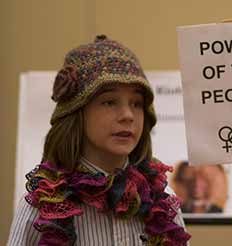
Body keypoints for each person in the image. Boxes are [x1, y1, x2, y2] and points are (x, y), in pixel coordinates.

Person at [8, 35, 191, 246]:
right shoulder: (42, 204)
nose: (127, 115)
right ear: (77, 111)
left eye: (137, 103)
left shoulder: (161, 201)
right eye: (109, 102)